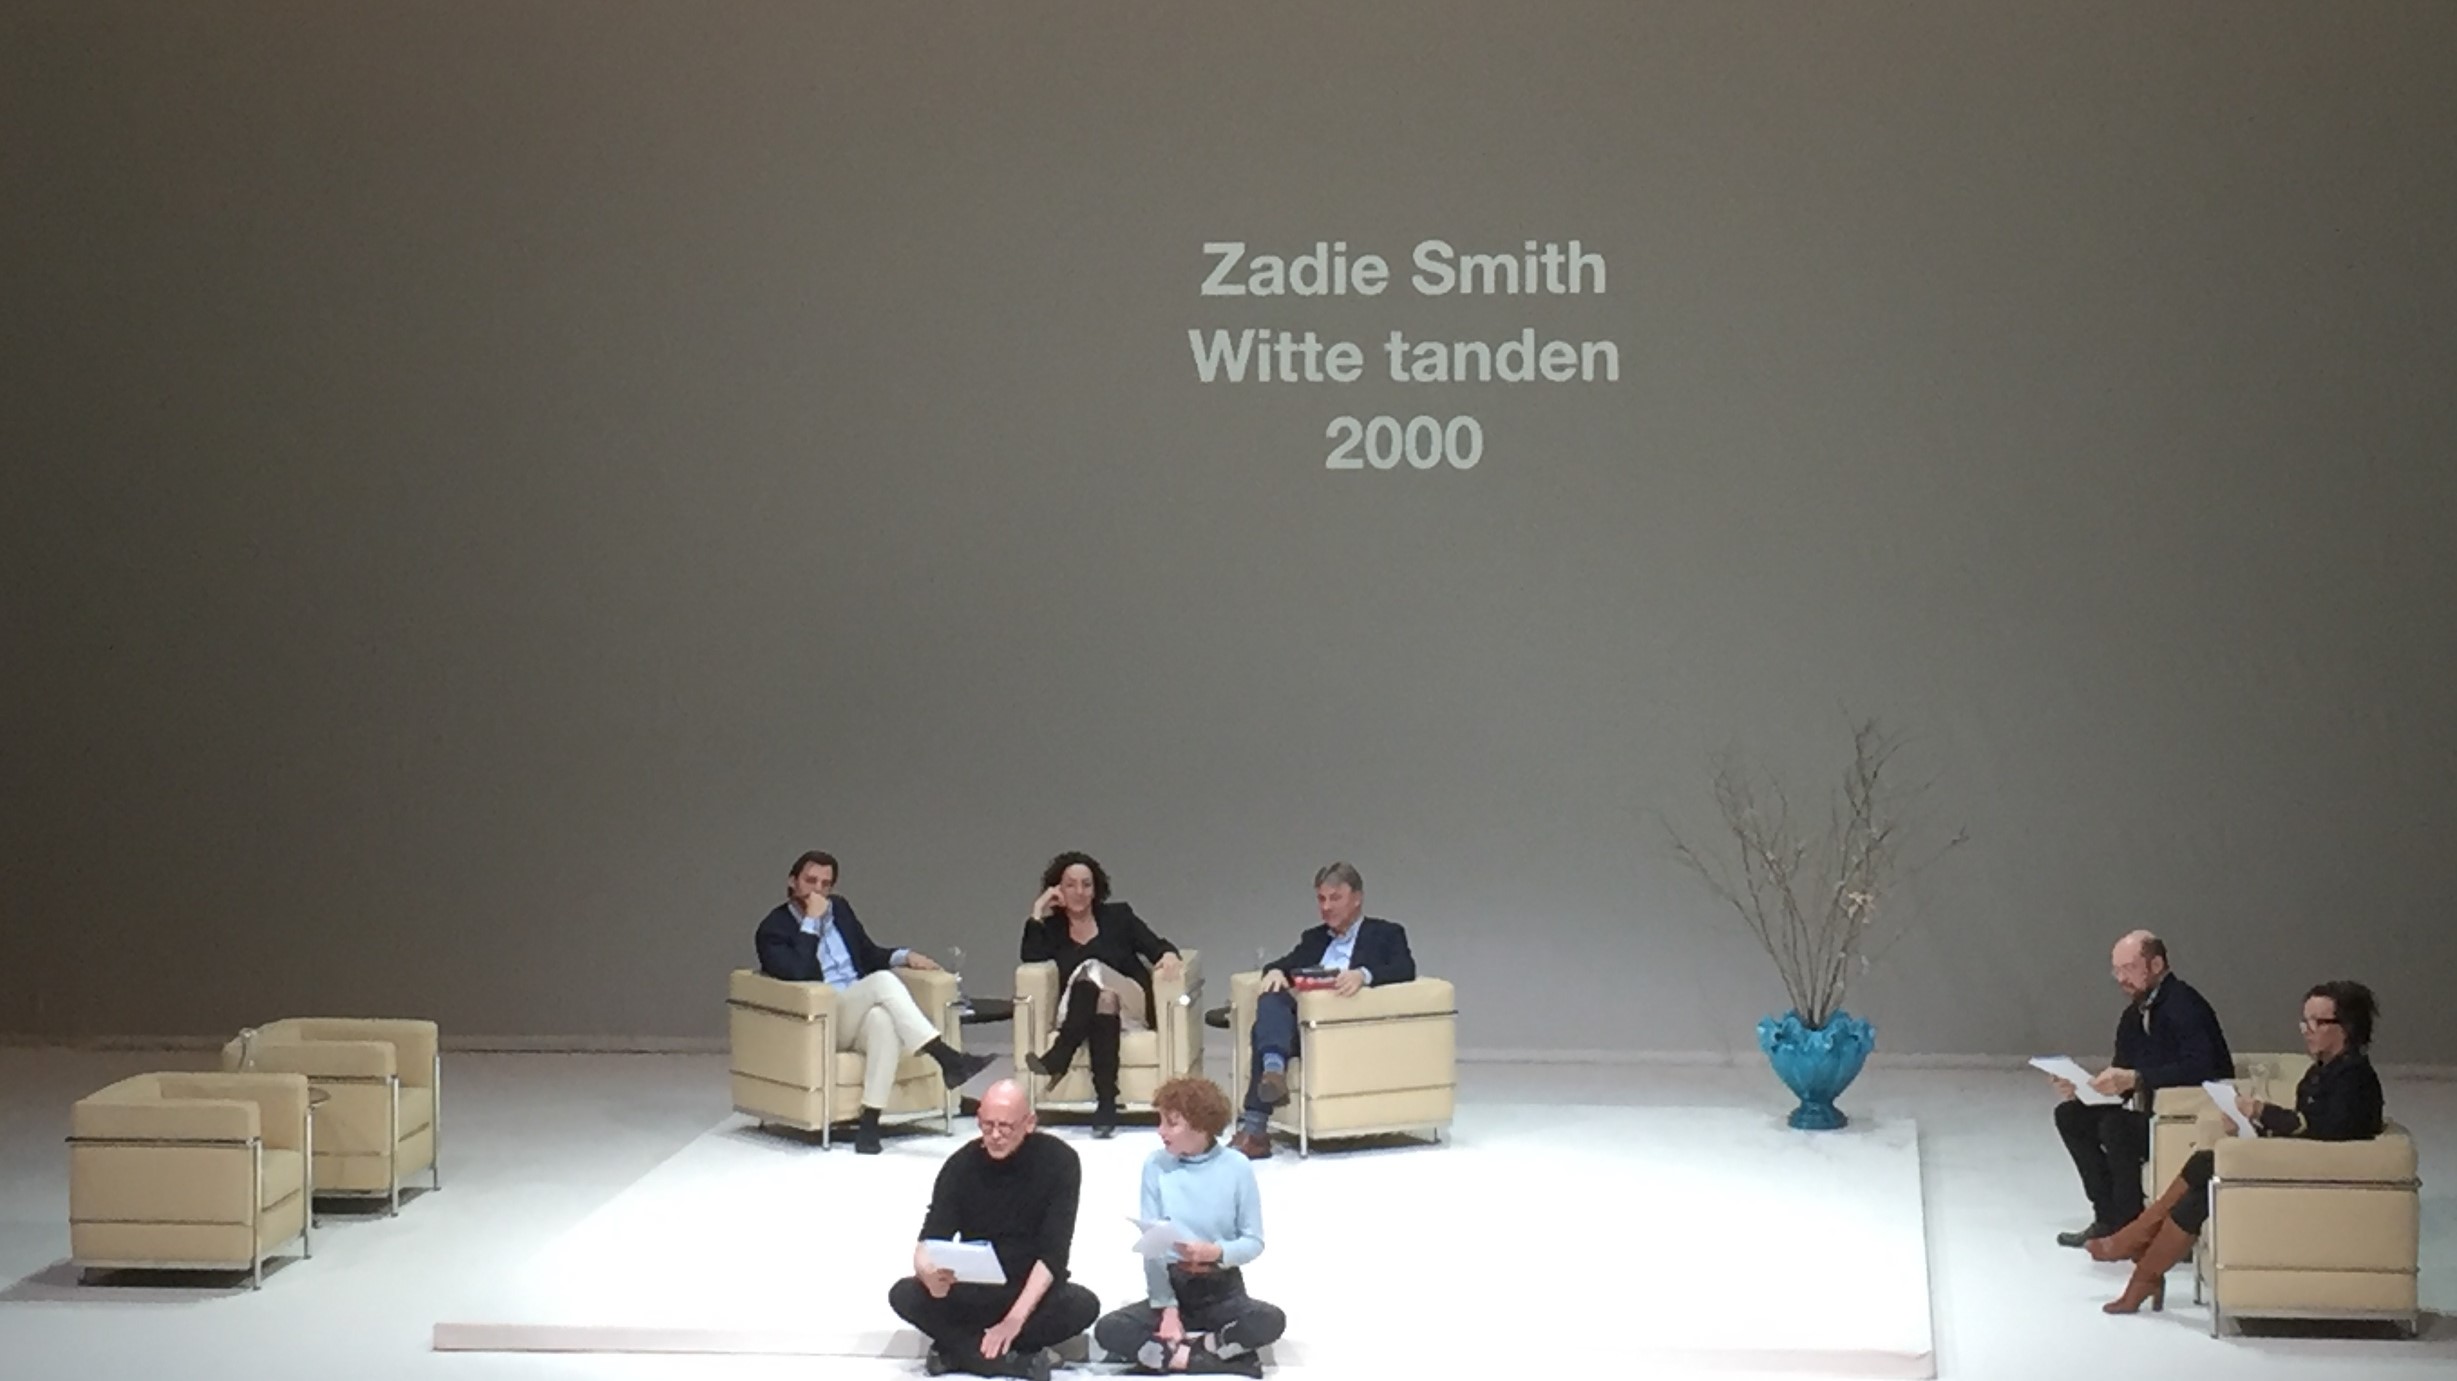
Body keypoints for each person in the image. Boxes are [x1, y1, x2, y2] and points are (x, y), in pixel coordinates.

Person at [2090, 980, 2386, 1314]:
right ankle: (2143, 1273)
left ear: (2347, 1027)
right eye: (2305, 1021)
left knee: (2206, 1164)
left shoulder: (2354, 1077)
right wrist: (2254, 1125)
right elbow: (2308, 1126)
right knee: (2201, 1184)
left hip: (2319, 1175)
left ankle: (2138, 1247)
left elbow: (2328, 1130)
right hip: (2305, 1162)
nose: (2307, 1030)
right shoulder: (2323, 1071)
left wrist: (2261, 1112)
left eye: (2318, 1022)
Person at [753, 850, 994, 1153]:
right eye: (810, 881)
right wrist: (811, 922)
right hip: (822, 1018)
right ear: (792, 881)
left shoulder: (839, 910)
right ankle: (947, 1057)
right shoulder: (773, 929)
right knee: (882, 982)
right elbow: (800, 973)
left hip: (856, 1011)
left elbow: (867, 953)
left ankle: (869, 1126)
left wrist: (904, 956)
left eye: (825, 884)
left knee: (882, 1022)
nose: (817, 890)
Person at [888, 1080, 1101, 1379]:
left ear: (1029, 1123)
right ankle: (1012, 1360)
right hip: (974, 1289)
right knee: (904, 1294)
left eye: (1006, 1127)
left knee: (1083, 1305)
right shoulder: (961, 1165)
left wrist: (1013, 1320)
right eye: (987, 1126)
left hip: (1029, 1291)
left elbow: (1053, 1254)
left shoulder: (1060, 1161)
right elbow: (930, 1238)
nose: (996, 1136)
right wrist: (928, 1274)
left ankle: (958, 1352)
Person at [2045, 930, 2231, 1246]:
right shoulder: (2134, 1015)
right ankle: (2107, 1216)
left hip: (2185, 1117)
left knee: (2116, 1127)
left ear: (2156, 964)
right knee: (2070, 1116)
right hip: (2151, 1111)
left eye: (2129, 968)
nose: (2121, 978)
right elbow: (2123, 1077)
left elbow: (2202, 1067)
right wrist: (2086, 1088)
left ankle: (2129, 1224)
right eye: (2116, 970)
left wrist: (2138, 1079)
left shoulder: (2186, 1006)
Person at [1094, 1077, 1284, 1377]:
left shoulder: (1236, 1167)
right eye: (1160, 1121)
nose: (1160, 1131)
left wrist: (1215, 1252)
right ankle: (1213, 1357)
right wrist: (1167, 1309)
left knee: (1270, 1320)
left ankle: (1174, 1355)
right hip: (1174, 1284)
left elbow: (1253, 1241)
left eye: (1171, 1123)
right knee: (1109, 1329)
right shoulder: (1155, 1165)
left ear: (1200, 1125)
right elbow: (1153, 1249)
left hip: (1222, 1288)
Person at [1229, 862, 1415, 1160]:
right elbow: (1286, 963)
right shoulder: (1314, 938)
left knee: (1264, 1037)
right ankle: (1273, 1072)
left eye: (1335, 898)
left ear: (1357, 898)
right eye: (1321, 899)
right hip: (1304, 1031)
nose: (1326, 907)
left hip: (1347, 1032)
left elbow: (1404, 968)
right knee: (1272, 999)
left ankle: (1255, 1129)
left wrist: (1363, 975)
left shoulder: (1386, 933)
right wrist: (1274, 971)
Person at [1020, 852, 1186, 1138]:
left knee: (1092, 968)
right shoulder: (1053, 928)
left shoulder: (1118, 917)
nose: (1079, 892)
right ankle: (1107, 1103)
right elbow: (1031, 957)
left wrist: (1168, 954)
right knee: (1103, 998)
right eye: (1071, 885)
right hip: (1078, 1009)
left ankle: (1061, 1053)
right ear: (1057, 889)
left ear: (1096, 889)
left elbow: (1156, 945)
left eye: (1087, 885)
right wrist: (1037, 909)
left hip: (1131, 1004)